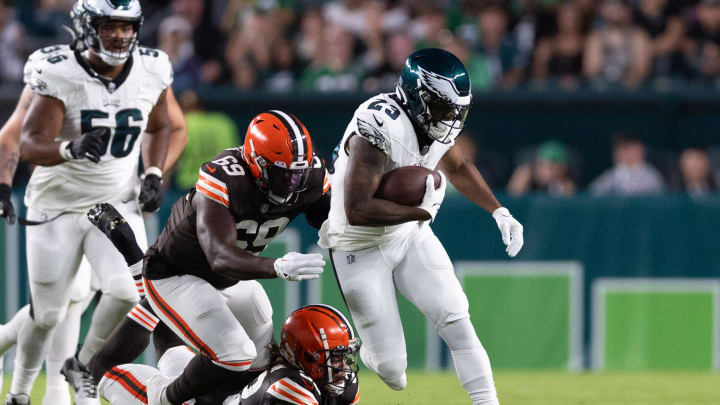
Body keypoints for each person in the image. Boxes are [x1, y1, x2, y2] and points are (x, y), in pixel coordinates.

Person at [318, 48, 524, 405]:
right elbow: (357, 209)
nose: (452, 118)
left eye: (457, 109)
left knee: (456, 318)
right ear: (419, 97)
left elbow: (458, 168)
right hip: (357, 244)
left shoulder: (434, 122)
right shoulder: (378, 126)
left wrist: (499, 211)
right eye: (445, 108)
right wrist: (420, 213)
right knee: (392, 370)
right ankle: (372, 350)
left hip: (407, 234)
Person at [4, 0, 175, 403]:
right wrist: (70, 148)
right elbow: (28, 143)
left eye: (126, 26)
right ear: (86, 26)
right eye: (108, 25)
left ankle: (82, 364)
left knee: (127, 292)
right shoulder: (59, 71)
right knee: (46, 315)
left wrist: (153, 172)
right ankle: (20, 392)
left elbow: (162, 124)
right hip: (57, 206)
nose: (119, 35)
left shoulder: (152, 69)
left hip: (113, 203)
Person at [123, 110, 331, 404]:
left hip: (228, 279)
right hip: (177, 274)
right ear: (255, 161)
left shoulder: (310, 176)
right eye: (282, 174)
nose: (292, 184)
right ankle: (163, 397)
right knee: (235, 353)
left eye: (297, 173)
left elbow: (336, 224)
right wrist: (277, 266)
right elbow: (219, 255)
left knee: (260, 354)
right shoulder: (223, 176)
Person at [590, 133, 665, 195]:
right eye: (621, 149)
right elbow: (593, 192)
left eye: (630, 149)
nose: (626, 154)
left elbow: (659, 196)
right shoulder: (612, 175)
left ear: (641, 150)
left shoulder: (650, 175)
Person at [507, 140, 576, 197]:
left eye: (554, 168)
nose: (548, 171)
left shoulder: (566, 184)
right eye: (544, 165)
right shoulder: (527, 175)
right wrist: (522, 176)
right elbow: (512, 199)